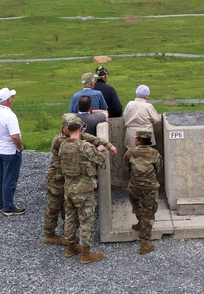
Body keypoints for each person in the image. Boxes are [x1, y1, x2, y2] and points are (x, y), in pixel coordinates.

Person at [44, 113, 115, 246]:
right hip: (57, 178)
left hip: (68, 178)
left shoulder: (72, 134)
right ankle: (49, 234)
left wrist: (108, 145)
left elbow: (90, 138)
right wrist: (95, 149)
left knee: (68, 209)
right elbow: (84, 150)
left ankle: (69, 237)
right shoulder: (61, 140)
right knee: (54, 206)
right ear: (63, 128)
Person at [60, 117, 109, 264]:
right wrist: (97, 149)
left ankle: (70, 247)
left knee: (70, 218)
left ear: (68, 130)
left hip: (69, 188)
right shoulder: (85, 146)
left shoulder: (63, 145)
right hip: (84, 189)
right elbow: (100, 160)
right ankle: (86, 254)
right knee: (86, 220)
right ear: (80, 129)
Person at [0, 87, 26, 216]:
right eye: (12, 97)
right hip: (9, 151)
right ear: (8, 100)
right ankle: (8, 206)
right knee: (9, 178)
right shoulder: (10, 116)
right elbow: (14, 136)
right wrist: (19, 147)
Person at [125, 129, 163, 254]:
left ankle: (140, 222)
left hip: (134, 186)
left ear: (139, 140)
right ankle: (145, 243)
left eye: (136, 138)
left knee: (136, 204)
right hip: (149, 188)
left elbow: (126, 167)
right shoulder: (154, 153)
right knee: (149, 213)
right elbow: (158, 167)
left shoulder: (131, 152)